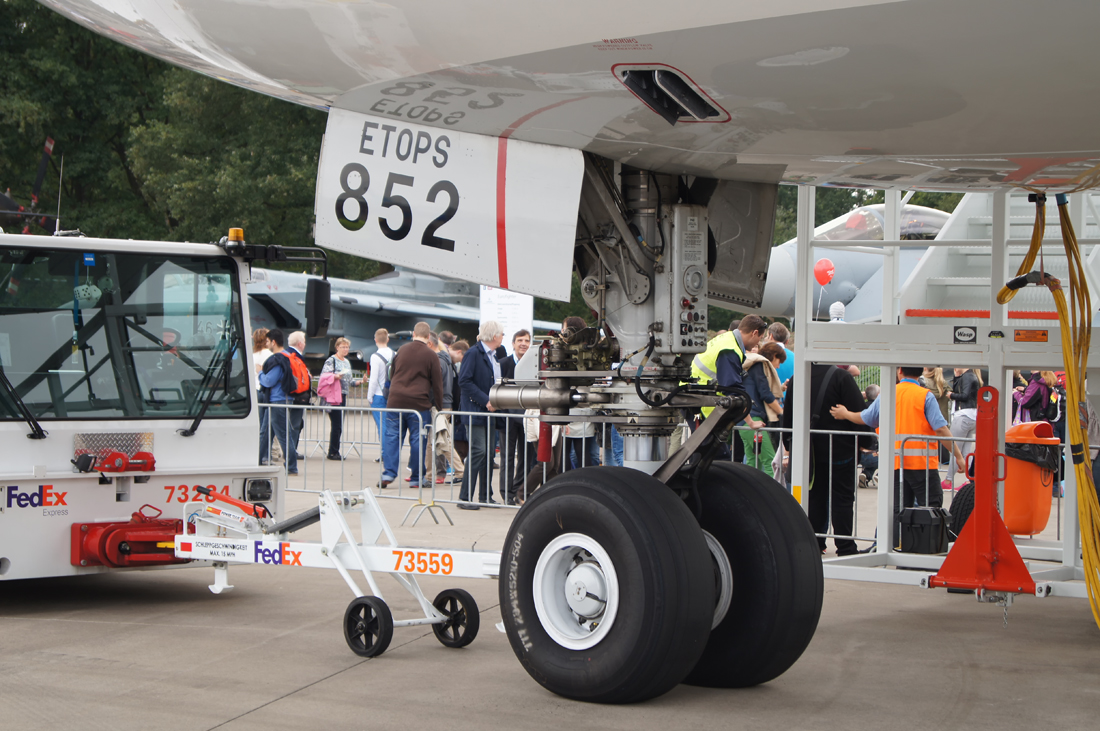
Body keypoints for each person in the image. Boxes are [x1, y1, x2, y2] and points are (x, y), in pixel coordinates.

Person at [831, 366, 966, 548]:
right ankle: (927, 548)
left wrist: (845, 414)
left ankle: (891, 547)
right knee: (931, 506)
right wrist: (958, 455)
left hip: (894, 464)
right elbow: (940, 428)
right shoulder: (925, 396)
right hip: (922, 465)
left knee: (896, 510)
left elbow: (867, 418)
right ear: (920, 373)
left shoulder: (887, 395)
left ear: (899, 370)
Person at [783, 363, 868, 555]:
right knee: (842, 499)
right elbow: (859, 411)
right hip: (840, 450)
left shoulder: (798, 379)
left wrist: (789, 445)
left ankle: (815, 542)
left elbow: (789, 414)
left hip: (809, 450)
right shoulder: (842, 378)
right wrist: (865, 442)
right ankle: (845, 546)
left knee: (814, 497)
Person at [690, 315, 768, 458]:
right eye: (760, 338)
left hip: (697, 401)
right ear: (754, 333)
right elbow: (733, 390)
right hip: (699, 406)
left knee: (711, 454)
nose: (759, 342)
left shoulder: (726, 340)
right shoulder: (730, 350)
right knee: (713, 456)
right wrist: (750, 422)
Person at [380, 322, 443, 489]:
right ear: (429, 337)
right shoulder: (431, 355)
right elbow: (437, 384)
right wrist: (439, 406)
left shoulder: (401, 350)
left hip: (395, 402)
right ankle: (416, 477)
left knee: (392, 437)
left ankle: (389, 472)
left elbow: (392, 374)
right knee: (418, 440)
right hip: (418, 404)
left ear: (413, 334)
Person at [457, 321, 504, 509]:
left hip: (489, 412)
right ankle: (465, 497)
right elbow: (465, 381)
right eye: (501, 334)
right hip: (477, 411)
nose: (502, 337)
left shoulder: (494, 355)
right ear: (494, 336)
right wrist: (486, 400)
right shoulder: (474, 353)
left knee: (488, 454)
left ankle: (485, 496)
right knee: (479, 451)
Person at [258, 329, 307, 476]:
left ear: (273, 342)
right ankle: (258, 460)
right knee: (265, 432)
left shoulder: (279, 359)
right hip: (282, 400)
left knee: (282, 435)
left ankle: (291, 466)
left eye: (267, 341)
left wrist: (260, 372)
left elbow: (269, 380)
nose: (266, 344)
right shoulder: (288, 356)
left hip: (277, 400)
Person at [739, 342, 785, 477]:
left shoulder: (750, 365)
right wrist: (782, 413)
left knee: (752, 463)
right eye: (779, 361)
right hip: (754, 417)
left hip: (743, 419)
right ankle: (772, 496)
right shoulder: (760, 365)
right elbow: (765, 394)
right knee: (770, 461)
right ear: (774, 356)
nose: (778, 366)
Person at [498, 329, 531, 504]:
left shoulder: (534, 365)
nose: (523, 343)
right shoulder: (503, 363)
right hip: (508, 417)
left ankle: (519, 491)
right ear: (513, 343)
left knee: (526, 457)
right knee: (507, 456)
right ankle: (506, 493)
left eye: (526, 340)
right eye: (520, 340)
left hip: (527, 417)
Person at [320, 337, 361, 460]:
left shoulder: (347, 362)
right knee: (337, 424)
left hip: (343, 395)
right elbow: (324, 376)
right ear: (337, 347)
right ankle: (333, 452)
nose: (345, 349)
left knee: (339, 425)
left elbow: (350, 381)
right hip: (333, 395)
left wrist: (359, 382)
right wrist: (336, 376)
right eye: (343, 347)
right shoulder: (331, 360)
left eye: (347, 347)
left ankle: (334, 450)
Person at [946, 367, 981, 480]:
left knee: (955, 450)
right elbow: (961, 391)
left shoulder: (967, 376)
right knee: (966, 451)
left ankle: (948, 479)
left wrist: (951, 395)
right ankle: (968, 479)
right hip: (971, 416)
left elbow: (964, 395)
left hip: (963, 415)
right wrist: (956, 377)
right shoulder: (971, 376)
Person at [366, 329, 394, 462]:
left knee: (382, 425)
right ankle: (392, 451)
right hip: (392, 394)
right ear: (388, 339)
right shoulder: (395, 354)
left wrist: (369, 396)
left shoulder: (375, 356)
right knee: (391, 425)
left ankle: (385, 453)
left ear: (375, 340)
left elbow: (373, 378)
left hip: (379, 394)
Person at [253, 328, 278, 464]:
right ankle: (265, 456)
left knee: (261, 426)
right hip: (265, 390)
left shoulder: (252, 354)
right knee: (267, 427)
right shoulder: (269, 354)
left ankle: (260, 454)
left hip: (255, 391)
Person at [448, 340, 470, 481]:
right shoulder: (453, 364)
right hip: (457, 407)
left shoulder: (458, 366)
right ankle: (459, 468)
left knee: (459, 439)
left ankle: (459, 469)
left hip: (460, 408)